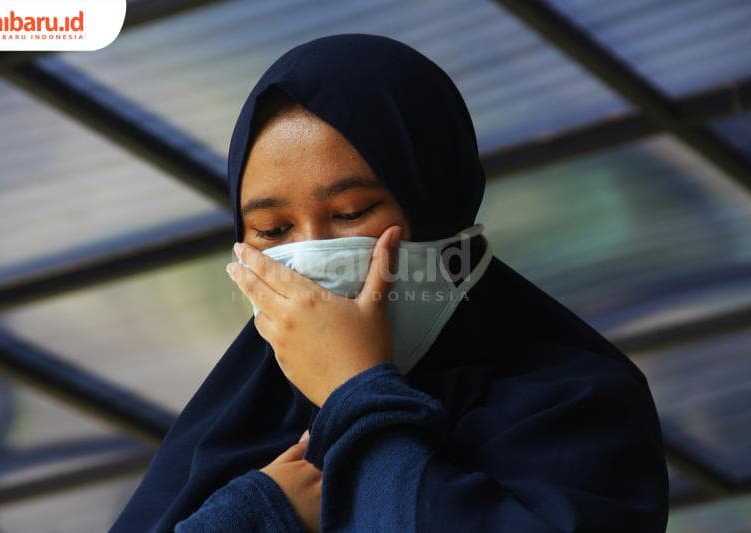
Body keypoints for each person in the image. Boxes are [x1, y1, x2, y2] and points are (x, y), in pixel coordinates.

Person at [110, 34, 669, 532]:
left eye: (351, 213)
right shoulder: (225, 435)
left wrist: (355, 392)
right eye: (272, 229)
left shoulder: (575, 402)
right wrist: (253, 515)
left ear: (436, 202)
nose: (313, 251)